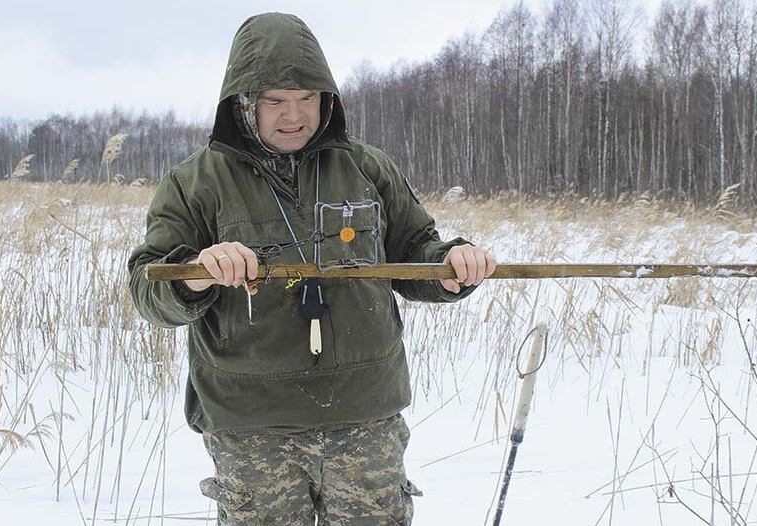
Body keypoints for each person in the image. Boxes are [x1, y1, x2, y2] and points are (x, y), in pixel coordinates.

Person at [127, 12, 495, 526]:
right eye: (276, 100)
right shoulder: (194, 182)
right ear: (243, 103)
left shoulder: (367, 167)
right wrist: (196, 272)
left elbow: (416, 253)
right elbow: (148, 289)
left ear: (327, 100)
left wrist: (452, 266)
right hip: (253, 428)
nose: (293, 115)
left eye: (307, 98)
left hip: (364, 415)